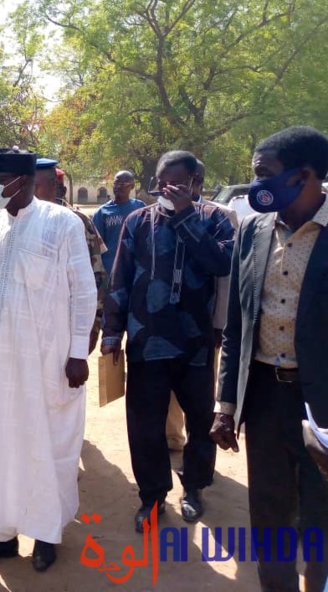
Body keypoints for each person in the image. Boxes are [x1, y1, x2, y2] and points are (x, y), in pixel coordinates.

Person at [0, 148, 96, 573]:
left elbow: (84, 291)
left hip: (46, 359)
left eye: (0, 177)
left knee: (46, 443)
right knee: (0, 442)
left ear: (22, 181)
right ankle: (1, 535)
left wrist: (77, 352)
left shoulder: (62, 224)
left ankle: (46, 533)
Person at [211, 126, 328, 592]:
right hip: (261, 398)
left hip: (320, 405)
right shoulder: (254, 231)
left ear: (304, 176)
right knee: (269, 513)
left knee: (320, 516)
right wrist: (225, 403)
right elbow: (238, 325)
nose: (256, 186)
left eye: (264, 176)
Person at [102, 150, 234, 532]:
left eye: (179, 182)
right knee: (145, 426)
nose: (169, 189)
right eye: (164, 182)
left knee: (200, 420)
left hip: (195, 343)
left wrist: (185, 216)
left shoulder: (213, 219)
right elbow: (120, 278)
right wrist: (112, 329)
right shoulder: (137, 221)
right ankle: (153, 496)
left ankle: (193, 487)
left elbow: (220, 263)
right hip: (147, 342)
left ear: (195, 184)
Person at [165, 160, 239, 451]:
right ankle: (172, 437)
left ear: (196, 182)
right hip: (166, 321)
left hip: (203, 323)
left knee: (199, 389)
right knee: (167, 387)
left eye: (180, 182)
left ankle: (200, 450)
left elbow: (226, 276)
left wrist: (220, 323)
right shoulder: (157, 214)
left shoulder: (220, 216)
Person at [34, 160, 107, 354]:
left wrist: (94, 324)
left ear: (56, 187)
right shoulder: (18, 222)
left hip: (66, 322)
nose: (33, 194)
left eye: (37, 187)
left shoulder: (77, 221)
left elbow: (96, 275)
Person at [92, 170, 146, 274]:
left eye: (123, 184)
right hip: (111, 268)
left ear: (132, 186)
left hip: (135, 268)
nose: (118, 187)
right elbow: (96, 245)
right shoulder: (102, 212)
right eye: (116, 183)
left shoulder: (140, 208)